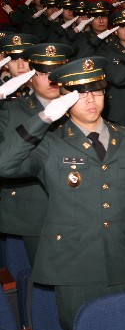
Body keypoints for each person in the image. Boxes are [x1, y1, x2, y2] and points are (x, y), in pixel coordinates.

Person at [0, 56, 125, 330]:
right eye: (80, 94)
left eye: (97, 92)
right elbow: (4, 164)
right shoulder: (51, 143)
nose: (90, 100)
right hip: (76, 268)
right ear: (64, 98)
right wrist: (42, 119)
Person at [0, 43, 73, 264]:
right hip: (37, 208)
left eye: (58, 71)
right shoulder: (12, 110)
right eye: (43, 73)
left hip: (80, 204)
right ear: (31, 77)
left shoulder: (81, 105)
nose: (52, 79)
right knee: (47, 273)